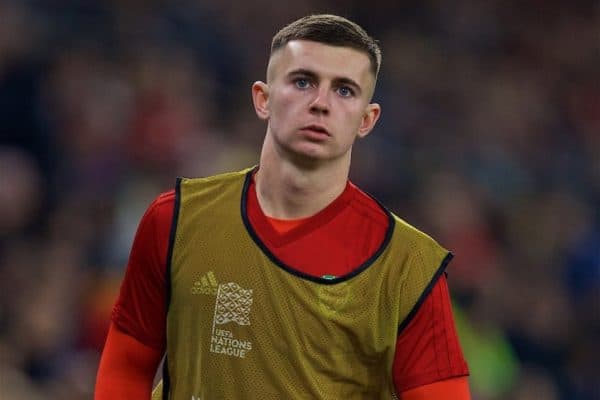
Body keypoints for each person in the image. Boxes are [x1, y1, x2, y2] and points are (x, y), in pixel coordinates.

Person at [95, 14, 470, 399]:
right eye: (303, 82)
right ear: (263, 98)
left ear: (367, 119)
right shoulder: (176, 218)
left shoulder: (409, 265)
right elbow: (126, 366)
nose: (320, 103)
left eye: (344, 90)